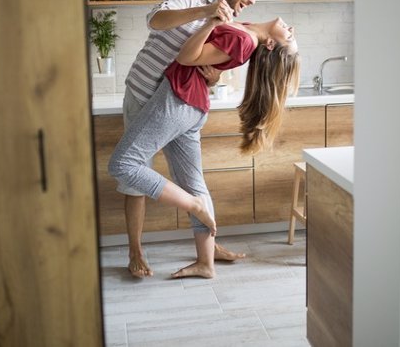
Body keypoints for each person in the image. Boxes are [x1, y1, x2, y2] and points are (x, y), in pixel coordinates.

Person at [109, 15, 300, 278]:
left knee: (123, 164)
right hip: (193, 105)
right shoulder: (246, 29)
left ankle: (193, 205)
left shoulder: (245, 38)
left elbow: (187, 56)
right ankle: (206, 262)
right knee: (194, 182)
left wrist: (191, 205)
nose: (291, 29)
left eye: (289, 37)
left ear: (270, 44)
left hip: (179, 100)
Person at [119, 0, 262, 278]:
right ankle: (135, 251)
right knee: (132, 175)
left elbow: (204, 63)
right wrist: (206, 12)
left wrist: (212, 80)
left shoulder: (230, 20)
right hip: (144, 94)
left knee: (193, 180)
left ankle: (209, 249)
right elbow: (155, 20)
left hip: (177, 104)